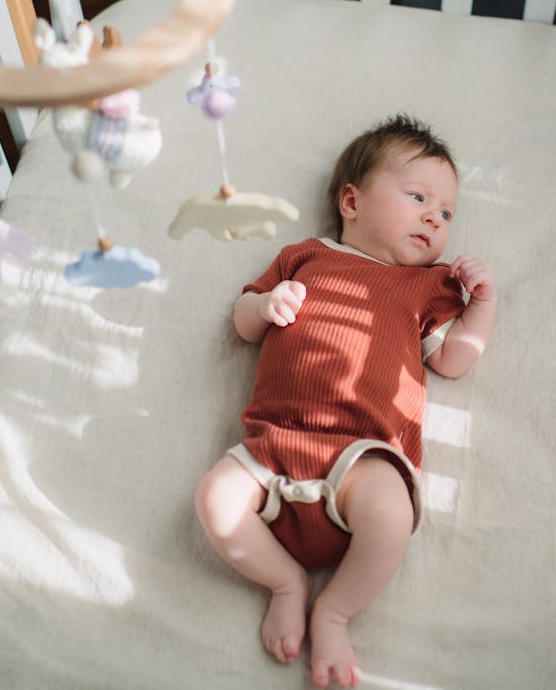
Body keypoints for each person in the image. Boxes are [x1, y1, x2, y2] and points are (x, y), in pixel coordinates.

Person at [194, 114, 497, 688]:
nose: (436, 217)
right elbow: (243, 323)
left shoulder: (427, 287)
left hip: (365, 454)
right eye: (418, 197)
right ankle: (285, 582)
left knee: (390, 517)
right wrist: (267, 305)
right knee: (214, 497)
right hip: (274, 446)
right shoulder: (304, 257)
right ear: (352, 201)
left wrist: (483, 303)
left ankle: (334, 611)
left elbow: (454, 360)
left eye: (447, 213)